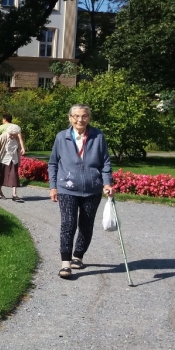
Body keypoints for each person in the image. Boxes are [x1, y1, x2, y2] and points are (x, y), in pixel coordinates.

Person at [48, 104, 115, 280]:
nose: (80, 120)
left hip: (92, 188)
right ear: (70, 117)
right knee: (68, 223)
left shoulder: (98, 136)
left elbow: (105, 163)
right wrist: (53, 186)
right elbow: (53, 163)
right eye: (76, 116)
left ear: (89, 118)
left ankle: (78, 255)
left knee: (86, 224)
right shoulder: (62, 137)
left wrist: (107, 183)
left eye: (84, 116)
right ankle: (65, 264)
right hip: (67, 188)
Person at [0, 123, 24, 202]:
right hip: (2, 159)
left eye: (14, 135)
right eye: (11, 134)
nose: (12, 136)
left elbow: (18, 148)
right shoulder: (2, 137)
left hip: (13, 159)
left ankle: (14, 194)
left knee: (14, 175)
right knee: (0, 176)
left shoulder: (16, 138)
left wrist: (22, 150)